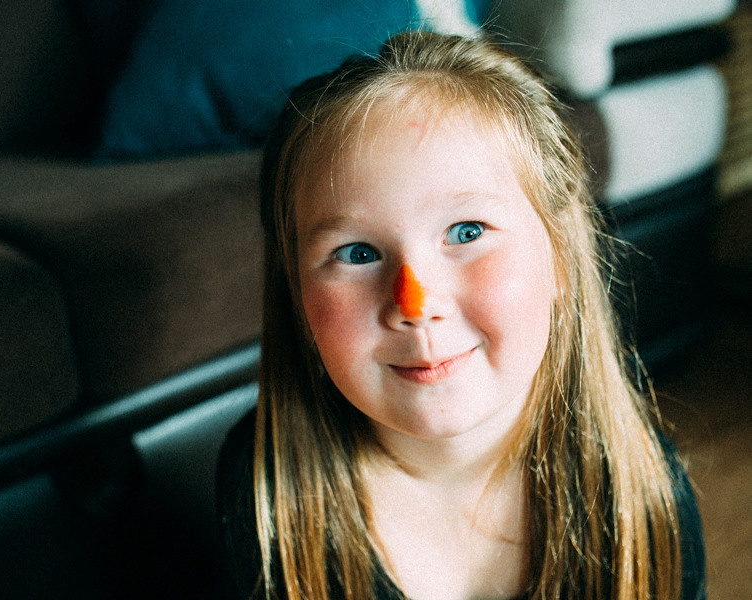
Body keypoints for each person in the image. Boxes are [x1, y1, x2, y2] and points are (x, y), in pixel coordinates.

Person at [217, 31, 705, 600]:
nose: (415, 305)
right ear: (297, 293)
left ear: (560, 256)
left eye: (467, 232)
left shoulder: (646, 498)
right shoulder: (266, 486)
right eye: (358, 253)